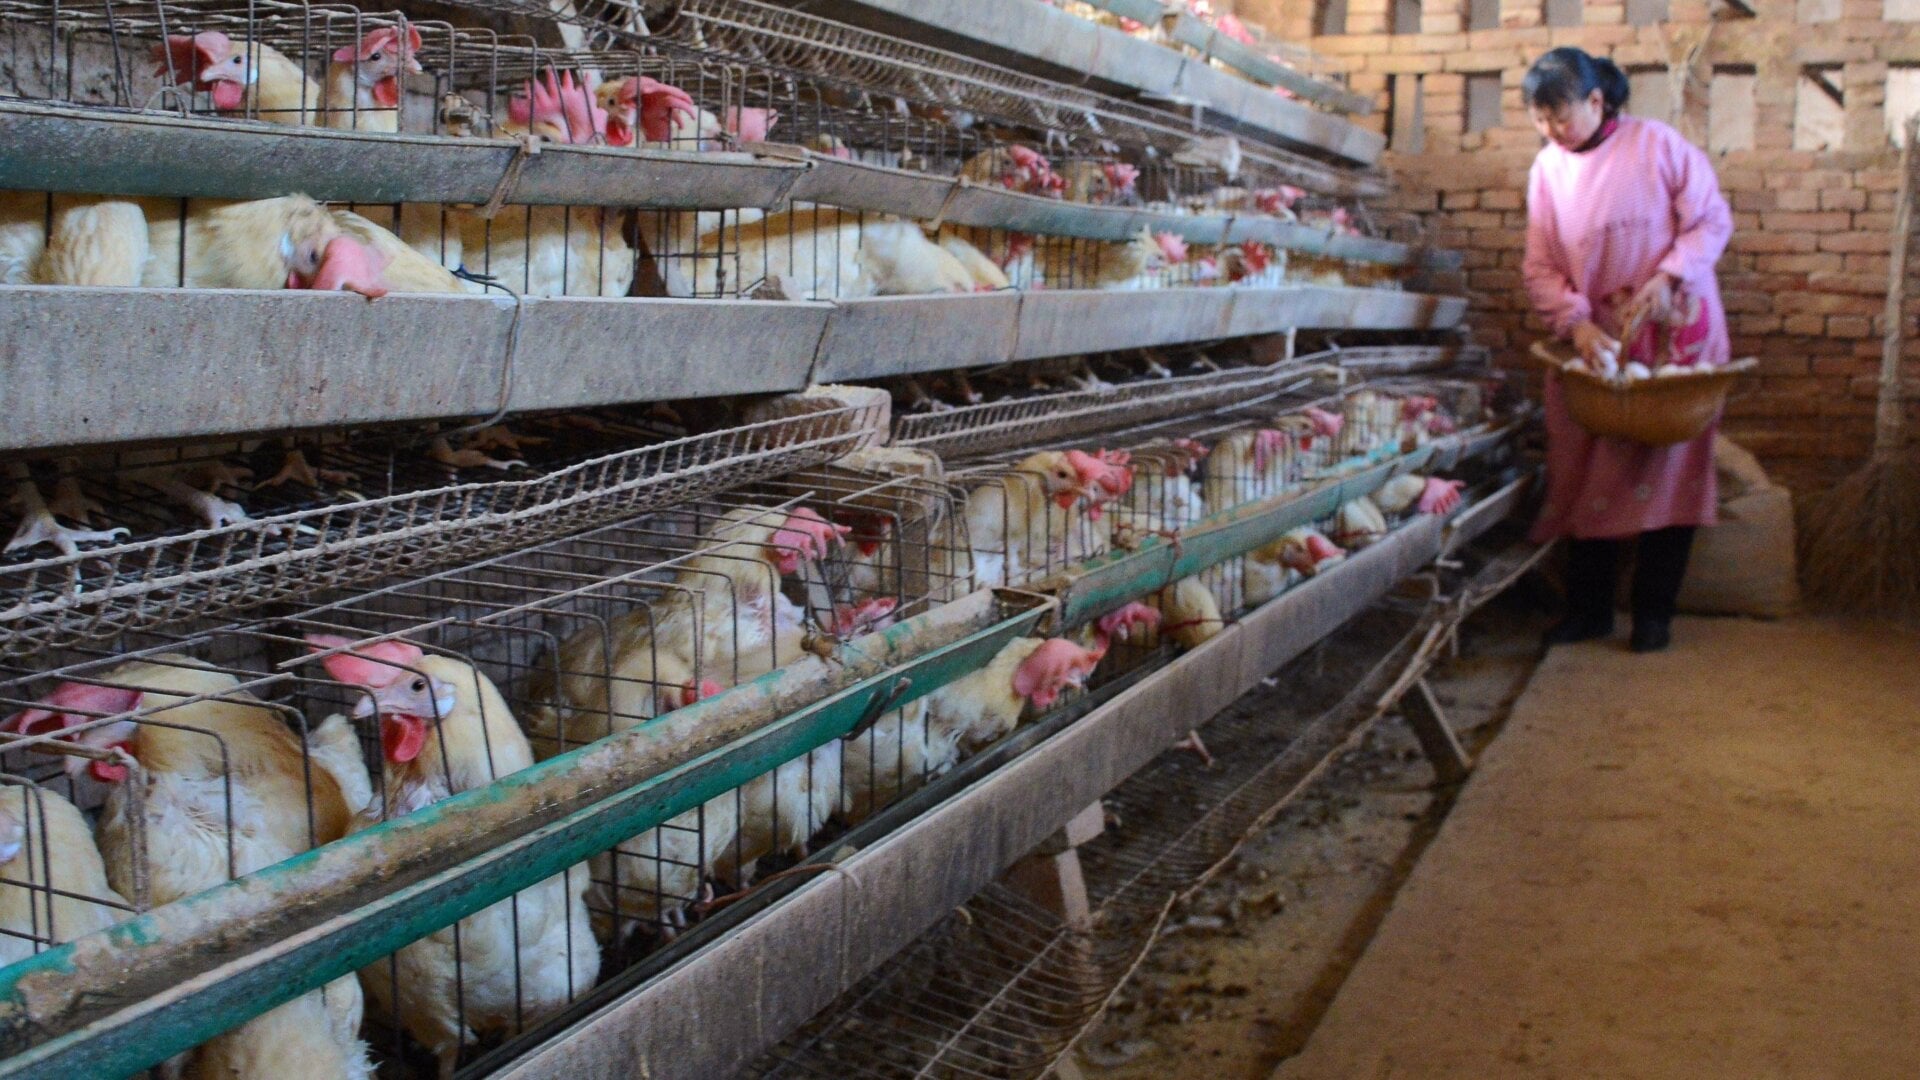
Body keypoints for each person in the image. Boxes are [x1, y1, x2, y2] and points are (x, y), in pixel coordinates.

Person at [1520, 46, 1734, 653]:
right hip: (1600, 341)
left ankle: (1654, 614)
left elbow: (1711, 222)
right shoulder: (1547, 171)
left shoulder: (1658, 145)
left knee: (1672, 464)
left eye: (1560, 116)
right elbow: (1540, 266)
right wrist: (1577, 325)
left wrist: (1669, 277)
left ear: (1595, 101)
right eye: (1540, 121)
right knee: (1587, 463)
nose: (1552, 131)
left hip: (1675, 330)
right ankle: (1589, 610)